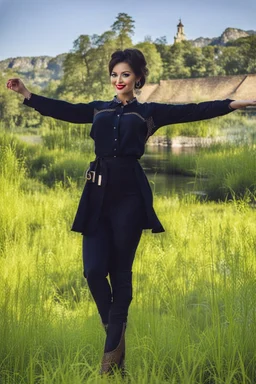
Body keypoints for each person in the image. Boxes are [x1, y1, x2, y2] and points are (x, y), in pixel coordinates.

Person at [6, 48, 256, 375]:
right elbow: (64, 109)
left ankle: (110, 362)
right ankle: (117, 336)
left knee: (120, 272)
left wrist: (234, 103)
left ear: (137, 77)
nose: (118, 80)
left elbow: (194, 110)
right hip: (96, 194)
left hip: (130, 197)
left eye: (125, 74)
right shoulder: (99, 109)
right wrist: (27, 95)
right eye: (114, 74)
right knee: (93, 271)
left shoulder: (151, 111)